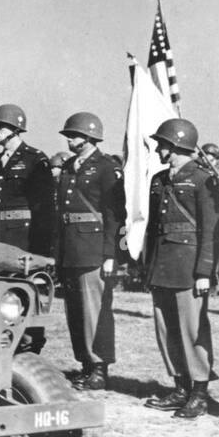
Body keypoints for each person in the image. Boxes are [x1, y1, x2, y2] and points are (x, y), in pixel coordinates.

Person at [142, 118, 219, 419]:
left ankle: (199, 392)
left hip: (189, 267)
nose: (159, 148)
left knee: (192, 330)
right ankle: (179, 386)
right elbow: (153, 229)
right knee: (166, 330)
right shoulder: (159, 179)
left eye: (163, 143)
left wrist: (204, 272)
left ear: (176, 145)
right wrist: (147, 267)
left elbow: (210, 230)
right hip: (162, 264)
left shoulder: (202, 180)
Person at [53, 111, 122, 390]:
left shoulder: (105, 167)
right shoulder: (69, 166)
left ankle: (99, 367)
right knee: (76, 312)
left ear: (90, 136)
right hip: (70, 248)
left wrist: (110, 255)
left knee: (95, 311)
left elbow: (113, 215)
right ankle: (84, 363)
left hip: (93, 249)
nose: (69, 138)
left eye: (74, 134)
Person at [0, 103, 50, 255]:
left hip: (22, 236)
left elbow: (43, 208)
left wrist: (41, 245)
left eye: (1, 127)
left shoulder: (34, 159)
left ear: (16, 129)